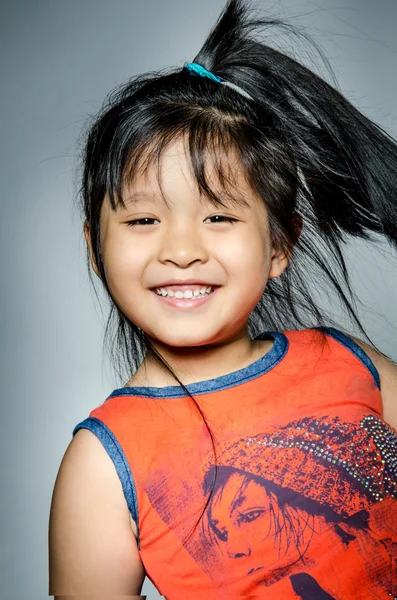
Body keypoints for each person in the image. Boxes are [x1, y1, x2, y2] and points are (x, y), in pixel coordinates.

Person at [48, 0, 397, 598]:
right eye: (142, 220)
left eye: (217, 215)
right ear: (95, 247)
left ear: (281, 242)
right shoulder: (102, 465)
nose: (181, 249)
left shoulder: (349, 363)